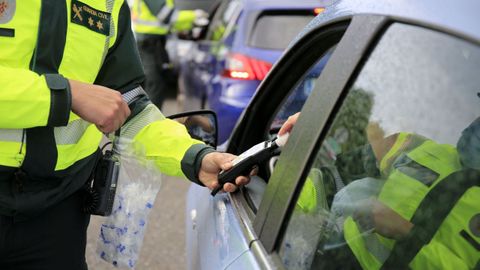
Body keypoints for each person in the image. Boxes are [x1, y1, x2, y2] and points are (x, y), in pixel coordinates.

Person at [0, 1, 249, 269]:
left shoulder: (109, 4)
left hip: (57, 214)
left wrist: (196, 158)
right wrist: (64, 95)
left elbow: (130, 108)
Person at [279, 113, 480, 269]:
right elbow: (333, 177)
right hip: (334, 257)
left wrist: (406, 233)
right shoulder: (415, 147)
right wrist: (282, 201)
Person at [131, 0, 205, 109]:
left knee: (157, 83)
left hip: (155, 43)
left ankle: (152, 118)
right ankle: (151, 121)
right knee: (154, 84)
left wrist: (191, 24)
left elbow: (170, 22)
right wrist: (194, 16)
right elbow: (167, 16)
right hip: (149, 44)